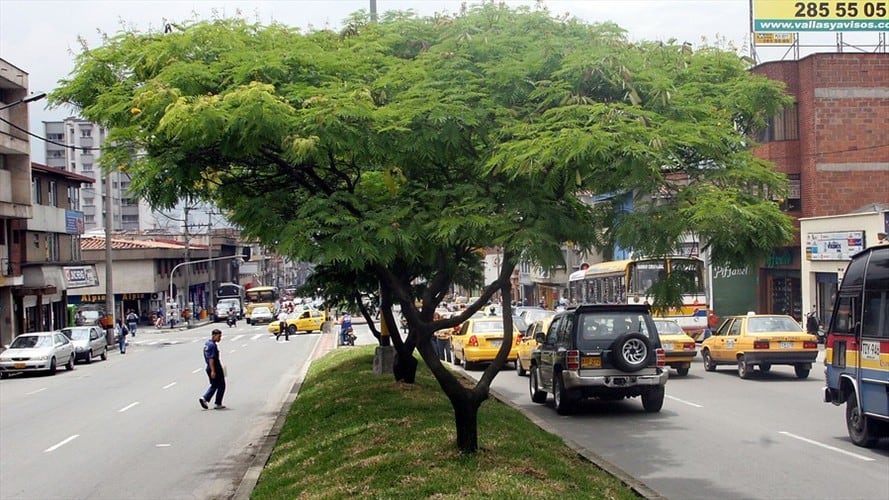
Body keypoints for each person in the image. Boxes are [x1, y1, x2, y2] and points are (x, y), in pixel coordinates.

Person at [199, 329, 226, 410]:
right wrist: (213, 370)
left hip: (211, 367)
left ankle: (209, 400)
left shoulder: (208, 344)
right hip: (214, 367)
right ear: (214, 335)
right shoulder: (212, 345)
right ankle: (207, 399)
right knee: (220, 385)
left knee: (216, 385)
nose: (220, 338)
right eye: (219, 336)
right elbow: (211, 359)